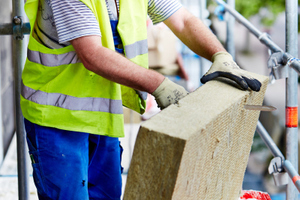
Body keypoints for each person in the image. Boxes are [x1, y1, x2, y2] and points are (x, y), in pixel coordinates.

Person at [21, 0, 262, 199]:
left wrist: (220, 56)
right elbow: (92, 54)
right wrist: (160, 85)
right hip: (56, 120)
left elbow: (183, 20)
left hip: (101, 115)